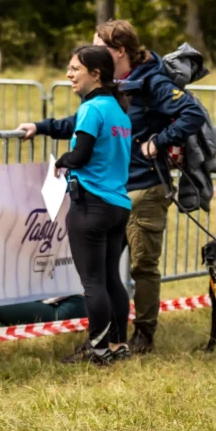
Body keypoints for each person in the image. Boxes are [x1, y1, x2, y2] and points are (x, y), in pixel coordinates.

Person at [19, 20, 206, 354]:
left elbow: (192, 113)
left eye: (97, 48)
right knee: (108, 276)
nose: (87, 55)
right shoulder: (113, 98)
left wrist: (157, 142)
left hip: (139, 188)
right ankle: (112, 340)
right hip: (118, 192)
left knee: (136, 268)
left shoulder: (151, 82)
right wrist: (42, 126)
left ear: (117, 52)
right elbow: (79, 126)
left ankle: (136, 337)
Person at [50, 45, 132, 365]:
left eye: (75, 69)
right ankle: (116, 345)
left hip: (91, 205)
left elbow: (81, 155)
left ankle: (98, 351)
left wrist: (62, 160)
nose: (69, 75)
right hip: (117, 204)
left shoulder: (92, 109)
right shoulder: (118, 110)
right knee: (112, 278)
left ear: (95, 74)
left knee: (94, 283)